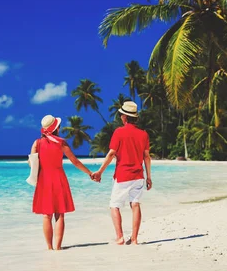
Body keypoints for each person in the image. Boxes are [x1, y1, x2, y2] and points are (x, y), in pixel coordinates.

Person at [31, 115, 95, 250]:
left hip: (44, 179)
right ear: (56, 128)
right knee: (60, 214)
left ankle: (49, 247)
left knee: (46, 215)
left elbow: (32, 163)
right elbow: (75, 161)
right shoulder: (61, 143)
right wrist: (89, 173)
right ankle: (58, 247)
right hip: (59, 178)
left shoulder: (37, 143)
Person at [92, 101, 152, 245]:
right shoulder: (143, 134)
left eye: (121, 115)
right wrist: (149, 177)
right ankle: (135, 238)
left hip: (122, 175)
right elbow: (146, 157)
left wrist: (100, 172)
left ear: (124, 117)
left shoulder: (119, 132)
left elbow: (112, 153)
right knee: (135, 204)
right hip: (138, 175)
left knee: (114, 205)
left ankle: (119, 237)